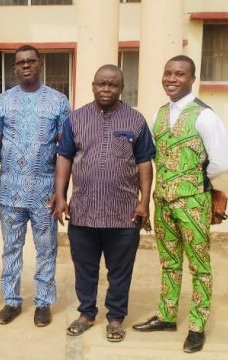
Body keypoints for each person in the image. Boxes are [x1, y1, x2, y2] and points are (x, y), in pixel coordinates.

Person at [131, 55, 228, 353]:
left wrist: (194, 181)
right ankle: (167, 314)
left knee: (199, 265)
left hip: (192, 202)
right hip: (163, 200)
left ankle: (197, 325)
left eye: (180, 74)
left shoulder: (205, 116)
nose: (172, 79)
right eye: (168, 73)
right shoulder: (160, 114)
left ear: (192, 79)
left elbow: (220, 162)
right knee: (169, 262)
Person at [52, 65, 155, 343]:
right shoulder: (76, 119)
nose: (106, 89)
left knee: (120, 270)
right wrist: (61, 196)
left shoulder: (135, 120)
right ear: (93, 85)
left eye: (112, 85)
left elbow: (145, 162)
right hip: (84, 211)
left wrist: (144, 202)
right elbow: (64, 157)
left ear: (121, 88)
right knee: (85, 268)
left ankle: (115, 317)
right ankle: (86, 313)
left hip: (123, 214)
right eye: (101, 84)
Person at [0, 45, 70, 327]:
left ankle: (43, 302)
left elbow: (65, 152)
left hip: (44, 191)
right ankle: (11, 300)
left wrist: (61, 194)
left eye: (31, 61)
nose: (26, 66)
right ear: (14, 68)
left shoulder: (59, 102)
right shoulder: (1, 102)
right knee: (11, 248)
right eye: (20, 62)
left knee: (46, 249)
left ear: (40, 63)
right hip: (10, 190)